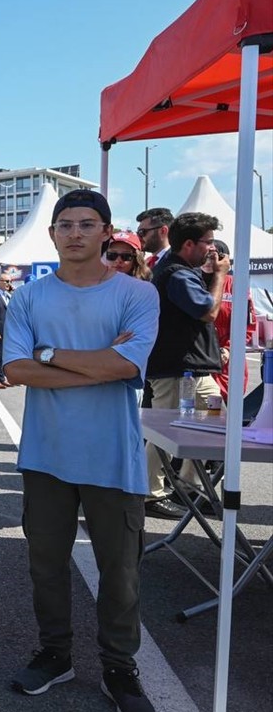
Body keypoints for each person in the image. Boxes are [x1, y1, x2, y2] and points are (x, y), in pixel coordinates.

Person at [2, 188, 160, 712]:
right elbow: (16, 371)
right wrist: (96, 361)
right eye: (64, 224)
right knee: (46, 564)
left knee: (120, 571)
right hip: (45, 454)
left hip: (113, 457)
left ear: (105, 232)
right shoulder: (29, 297)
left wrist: (49, 354)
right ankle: (56, 654)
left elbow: (125, 368)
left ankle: (119, 667)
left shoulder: (138, 295)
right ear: (51, 234)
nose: (74, 233)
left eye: (86, 224)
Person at [143, 212, 226, 520]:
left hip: (190, 368)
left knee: (213, 426)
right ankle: (150, 491)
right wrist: (219, 276)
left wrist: (208, 275)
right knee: (167, 432)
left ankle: (190, 484)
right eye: (208, 242)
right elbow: (207, 311)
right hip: (181, 370)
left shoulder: (179, 272)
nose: (213, 249)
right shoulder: (177, 274)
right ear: (189, 244)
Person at [207, 240, 255, 403]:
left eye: (213, 254)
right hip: (200, 360)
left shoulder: (236, 286)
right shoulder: (192, 281)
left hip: (228, 363)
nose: (208, 259)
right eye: (206, 254)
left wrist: (228, 350)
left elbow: (247, 326)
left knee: (227, 416)